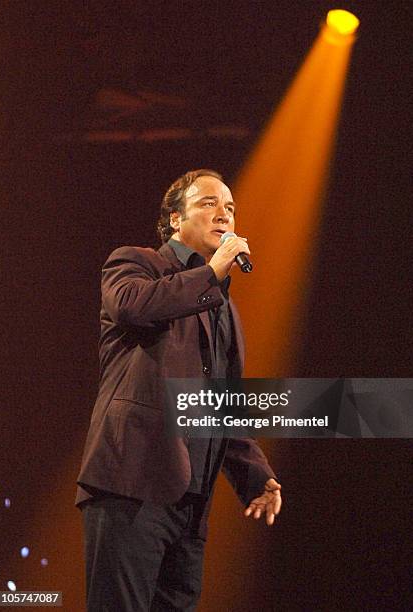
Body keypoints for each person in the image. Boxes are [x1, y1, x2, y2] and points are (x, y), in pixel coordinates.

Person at [76, 169, 282, 611]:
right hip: (132, 485)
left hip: (190, 505)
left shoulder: (222, 306)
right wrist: (212, 273)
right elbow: (133, 306)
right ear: (174, 219)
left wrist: (255, 475)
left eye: (230, 207)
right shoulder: (136, 263)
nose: (223, 214)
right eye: (208, 203)